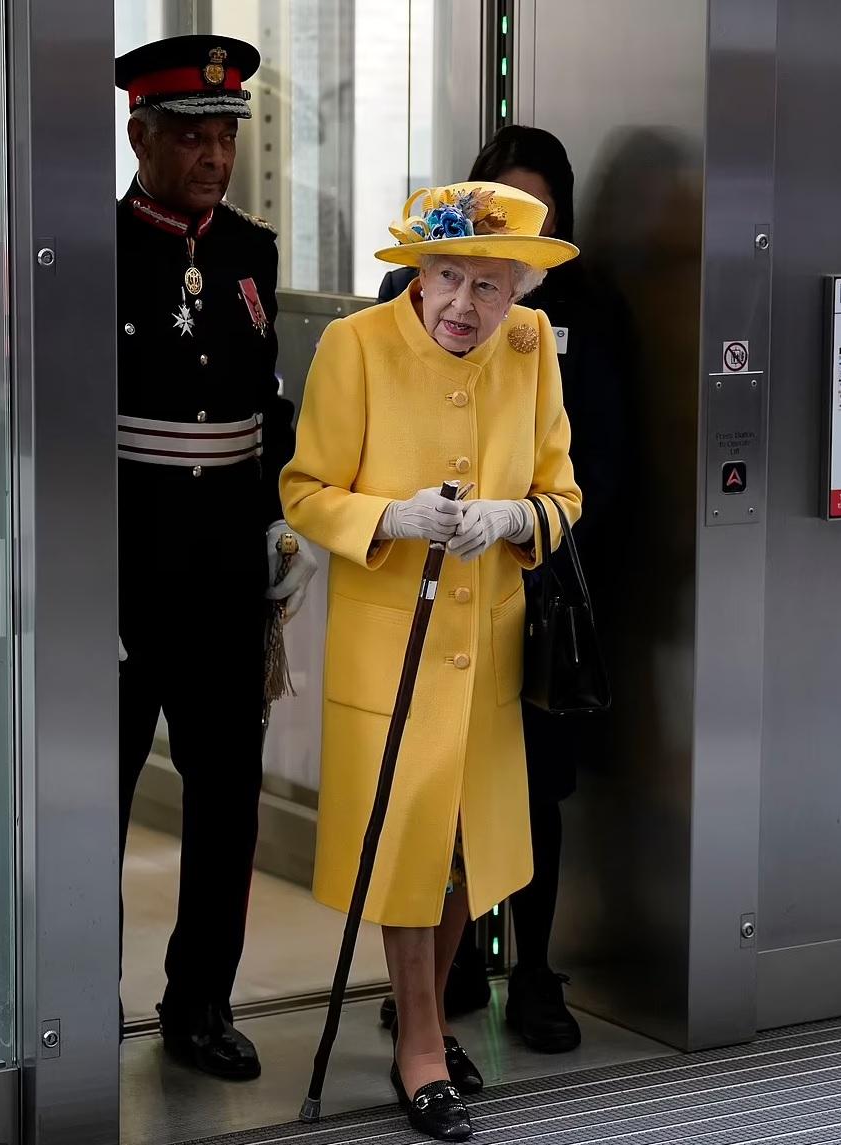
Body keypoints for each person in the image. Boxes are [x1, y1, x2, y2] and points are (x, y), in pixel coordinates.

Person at [281, 182, 580, 1140]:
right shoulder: (356, 345)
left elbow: (562, 493)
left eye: (489, 286)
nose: (462, 303)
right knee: (407, 841)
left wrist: (514, 517)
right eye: (447, 276)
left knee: (462, 849)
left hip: (485, 647)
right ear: (418, 271)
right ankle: (420, 1044)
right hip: (391, 651)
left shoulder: (529, 350)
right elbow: (304, 489)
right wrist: (390, 517)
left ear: (518, 290)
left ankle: (427, 1020)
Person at [378, 125, 627, 1054]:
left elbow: (601, 457)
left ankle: (533, 970)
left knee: (531, 788)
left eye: (539, 217)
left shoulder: (584, 312)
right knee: (429, 796)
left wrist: (529, 525)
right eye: (499, 211)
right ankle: (432, 984)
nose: (517, 239)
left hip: (538, 583)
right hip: (428, 577)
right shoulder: (411, 302)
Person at [114, 35, 316, 1080]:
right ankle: (72, 994)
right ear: (139, 135)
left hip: (226, 576)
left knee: (227, 798)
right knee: (91, 798)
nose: (213, 156)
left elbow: (263, 405)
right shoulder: (92, 248)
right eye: (192, 136)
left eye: (225, 136)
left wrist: (282, 516)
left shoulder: (248, 250)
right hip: (120, 575)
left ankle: (199, 1003)